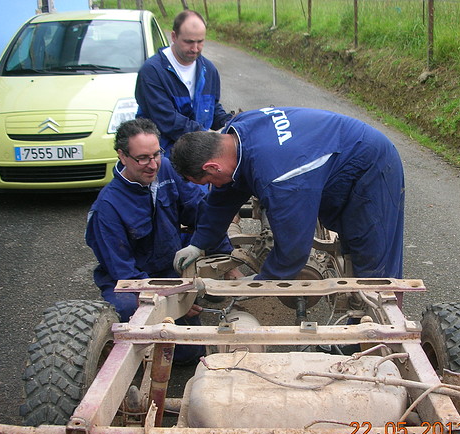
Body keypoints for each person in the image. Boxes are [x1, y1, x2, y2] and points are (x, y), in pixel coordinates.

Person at [171, 106, 405, 284]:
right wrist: (199, 244)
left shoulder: (280, 177)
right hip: (339, 151)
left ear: (213, 167)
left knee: (374, 261)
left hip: (371, 165)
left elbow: (293, 250)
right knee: (353, 246)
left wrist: (260, 282)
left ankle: (378, 336)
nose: (214, 186)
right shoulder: (236, 133)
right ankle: (357, 329)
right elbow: (223, 198)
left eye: (209, 181)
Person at [85, 118, 235, 365]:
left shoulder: (165, 169)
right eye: (143, 158)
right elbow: (125, 274)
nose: (152, 164)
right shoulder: (107, 209)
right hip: (132, 283)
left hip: (169, 269)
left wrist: (225, 258)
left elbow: (199, 210)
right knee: (132, 320)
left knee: (189, 353)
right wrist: (175, 301)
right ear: (122, 156)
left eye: (156, 154)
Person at [135, 9, 233, 157]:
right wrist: (210, 137)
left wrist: (232, 123)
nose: (195, 49)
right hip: (161, 159)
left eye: (200, 42)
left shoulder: (209, 70)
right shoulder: (152, 72)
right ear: (174, 36)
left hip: (199, 157)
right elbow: (167, 121)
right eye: (189, 42)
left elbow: (212, 108)